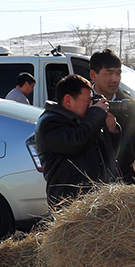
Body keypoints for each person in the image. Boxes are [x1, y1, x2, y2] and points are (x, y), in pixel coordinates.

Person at [36, 74, 119, 208]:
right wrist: (96, 114)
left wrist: (111, 131)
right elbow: (77, 143)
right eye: (87, 100)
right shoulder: (49, 123)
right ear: (68, 100)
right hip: (68, 204)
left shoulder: (84, 122)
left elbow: (109, 154)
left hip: (94, 202)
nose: (91, 105)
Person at [89, 49, 135, 185]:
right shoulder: (82, 104)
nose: (115, 79)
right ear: (93, 75)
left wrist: (115, 133)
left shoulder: (131, 106)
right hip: (90, 183)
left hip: (124, 182)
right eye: (109, 73)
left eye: (118, 73)